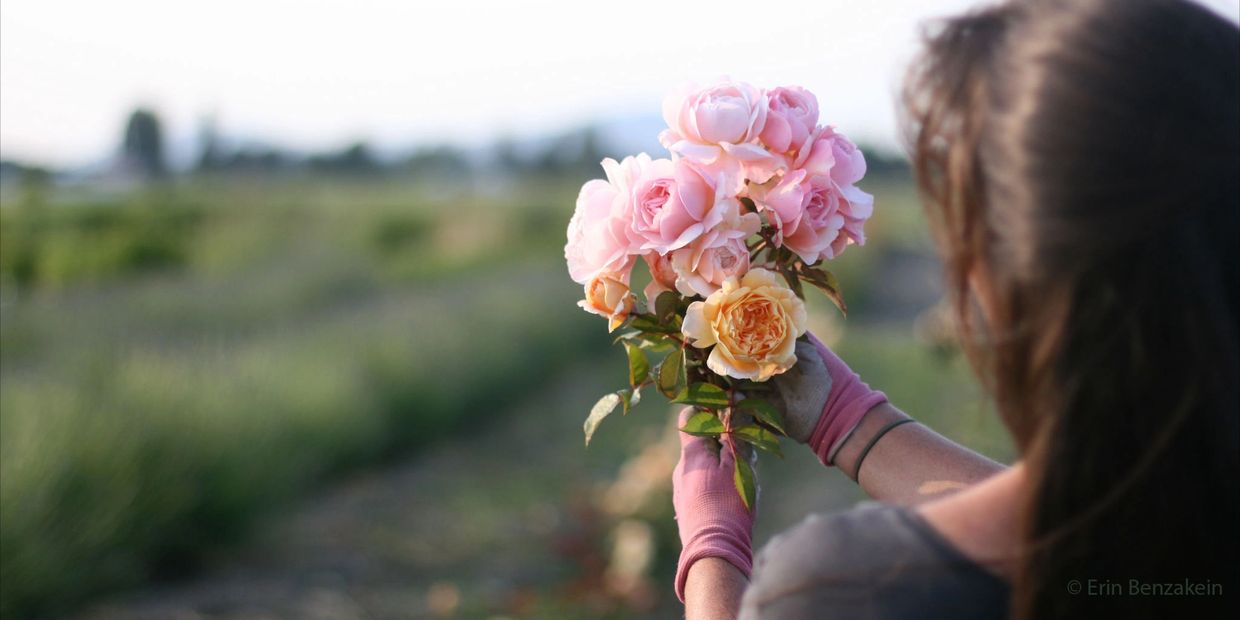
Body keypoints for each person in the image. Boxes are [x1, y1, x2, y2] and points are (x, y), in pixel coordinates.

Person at [670, 0, 1240, 618]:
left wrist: (714, 552)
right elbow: (1094, 536)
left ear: (1009, 278)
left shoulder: (850, 590)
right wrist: (846, 420)